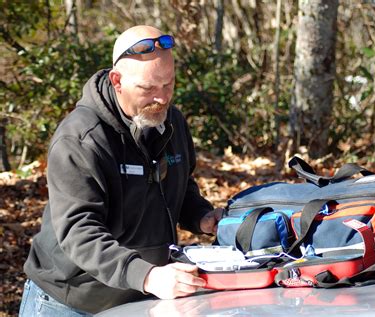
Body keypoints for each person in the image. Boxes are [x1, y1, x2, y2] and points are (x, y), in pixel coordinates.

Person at [19, 25, 223, 316]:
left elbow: (178, 185)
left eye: (169, 85)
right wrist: (147, 275)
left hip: (142, 295)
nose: (162, 98)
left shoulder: (171, 120)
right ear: (117, 81)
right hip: (71, 301)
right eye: (148, 88)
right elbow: (79, 231)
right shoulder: (81, 138)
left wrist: (201, 216)